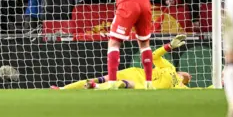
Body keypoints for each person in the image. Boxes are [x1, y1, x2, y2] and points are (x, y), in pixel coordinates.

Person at [51, 35, 189, 90]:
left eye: (188, 77)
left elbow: (201, 91)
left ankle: (91, 87)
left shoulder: (180, 87)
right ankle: (65, 88)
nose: (188, 75)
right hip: (138, 76)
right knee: (109, 80)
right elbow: (154, 56)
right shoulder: (170, 68)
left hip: (145, 83)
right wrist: (169, 46)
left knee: (114, 82)